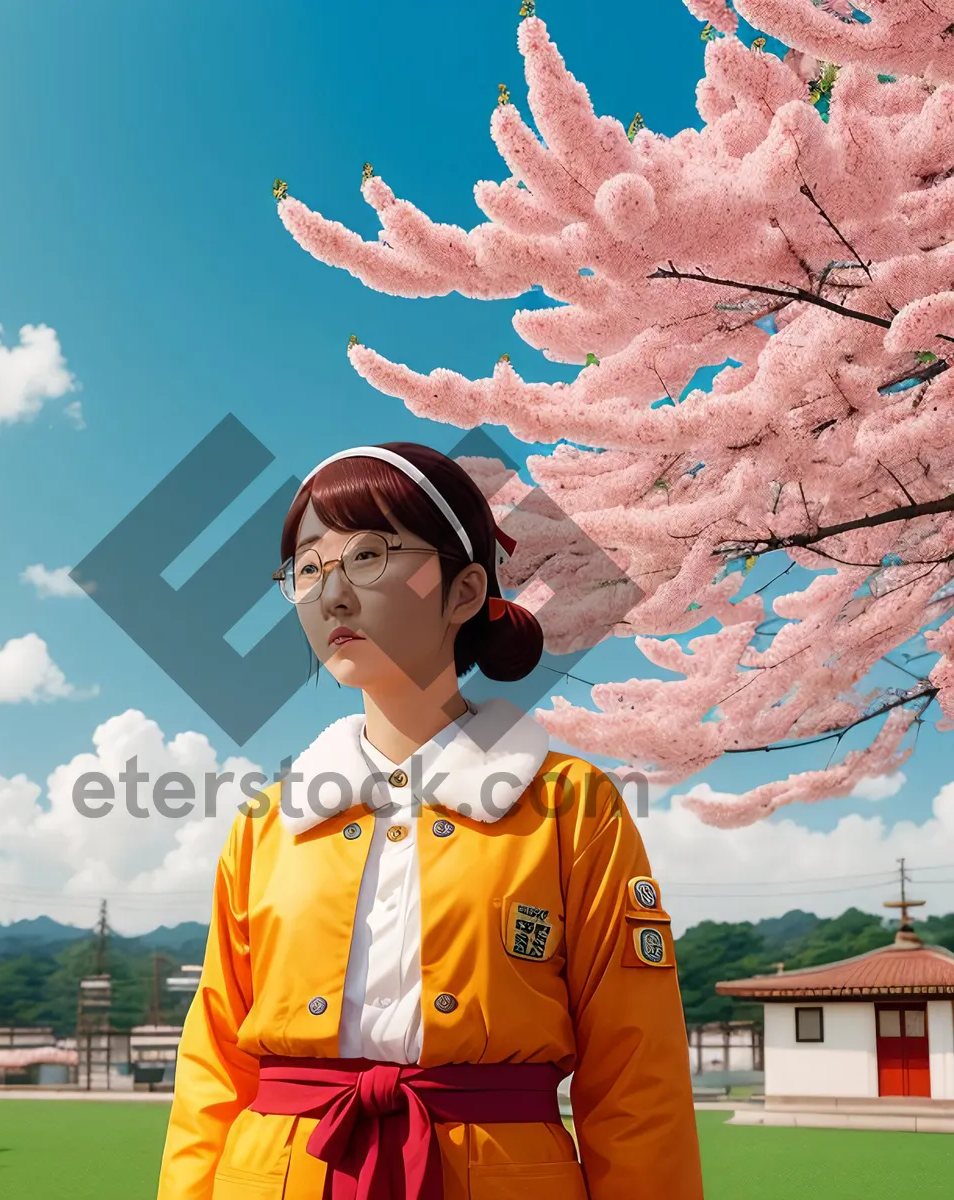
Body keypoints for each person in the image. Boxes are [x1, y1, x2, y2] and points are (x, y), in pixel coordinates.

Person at [156, 442, 704, 1199]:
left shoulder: (575, 809)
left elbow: (638, 1074)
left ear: (463, 589)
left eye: (369, 555)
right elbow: (213, 1064)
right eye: (308, 568)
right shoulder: (266, 824)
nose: (331, 595)